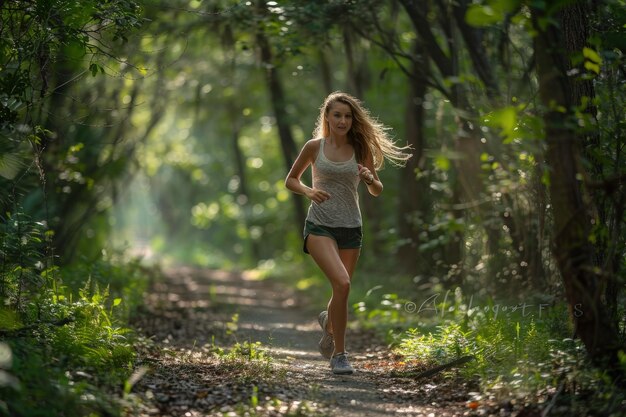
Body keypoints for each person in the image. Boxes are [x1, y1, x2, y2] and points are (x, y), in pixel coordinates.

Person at [285, 91, 412, 374]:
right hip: (320, 224)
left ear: (353, 119)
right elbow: (291, 180)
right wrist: (308, 190)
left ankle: (329, 322)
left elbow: (377, 190)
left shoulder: (360, 148)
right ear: (327, 117)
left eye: (347, 115)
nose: (343, 120)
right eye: (337, 115)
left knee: (340, 292)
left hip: (351, 227)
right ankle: (339, 355)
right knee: (342, 284)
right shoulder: (314, 147)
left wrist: (369, 179)